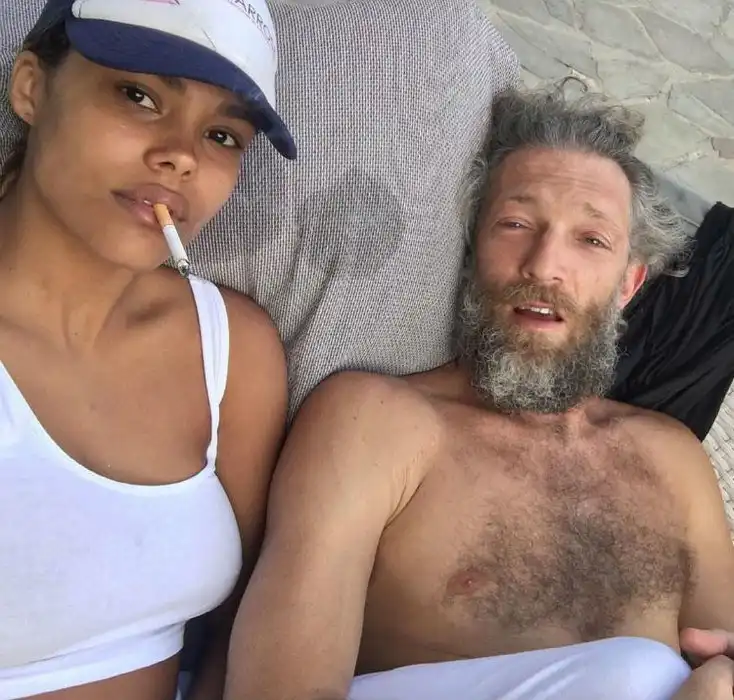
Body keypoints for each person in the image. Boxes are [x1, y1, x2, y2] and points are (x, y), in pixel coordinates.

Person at [225, 85, 734, 700]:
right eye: (516, 225)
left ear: (629, 284)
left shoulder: (673, 460)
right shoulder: (377, 422)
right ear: (472, 254)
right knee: (639, 675)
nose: (544, 265)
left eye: (591, 240)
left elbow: (722, 651)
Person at [0, 1, 294, 699]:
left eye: (222, 136)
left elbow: (246, 625)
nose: (182, 156)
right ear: (32, 88)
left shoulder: (233, 351)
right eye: (139, 96)